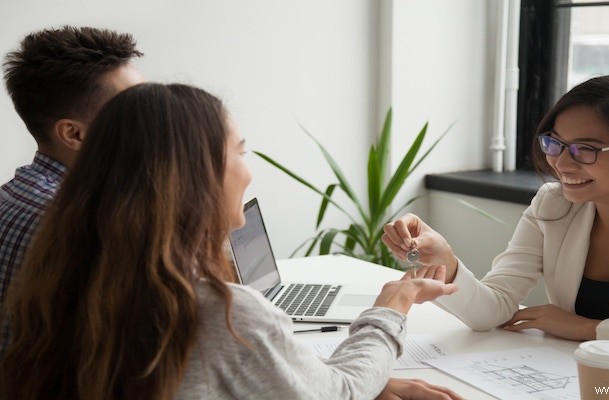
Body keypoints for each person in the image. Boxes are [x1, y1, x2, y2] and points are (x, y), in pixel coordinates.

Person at [0, 82, 462, 399]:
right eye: (240, 151)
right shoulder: (214, 312)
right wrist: (392, 304)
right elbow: (338, 393)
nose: (248, 167)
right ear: (193, 176)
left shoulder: (56, 276)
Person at [382, 75, 609, 369]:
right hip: (567, 374)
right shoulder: (553, 203)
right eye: (555, 143)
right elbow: (492, 310)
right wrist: (446, 261)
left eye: (585, 149)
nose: (560, 163)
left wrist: (591, 329)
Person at [0, 26, 145, 336]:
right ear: (74, 134)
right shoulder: (88, 227)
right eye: (134, 110)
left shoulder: (9, 197)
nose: (153, 120)